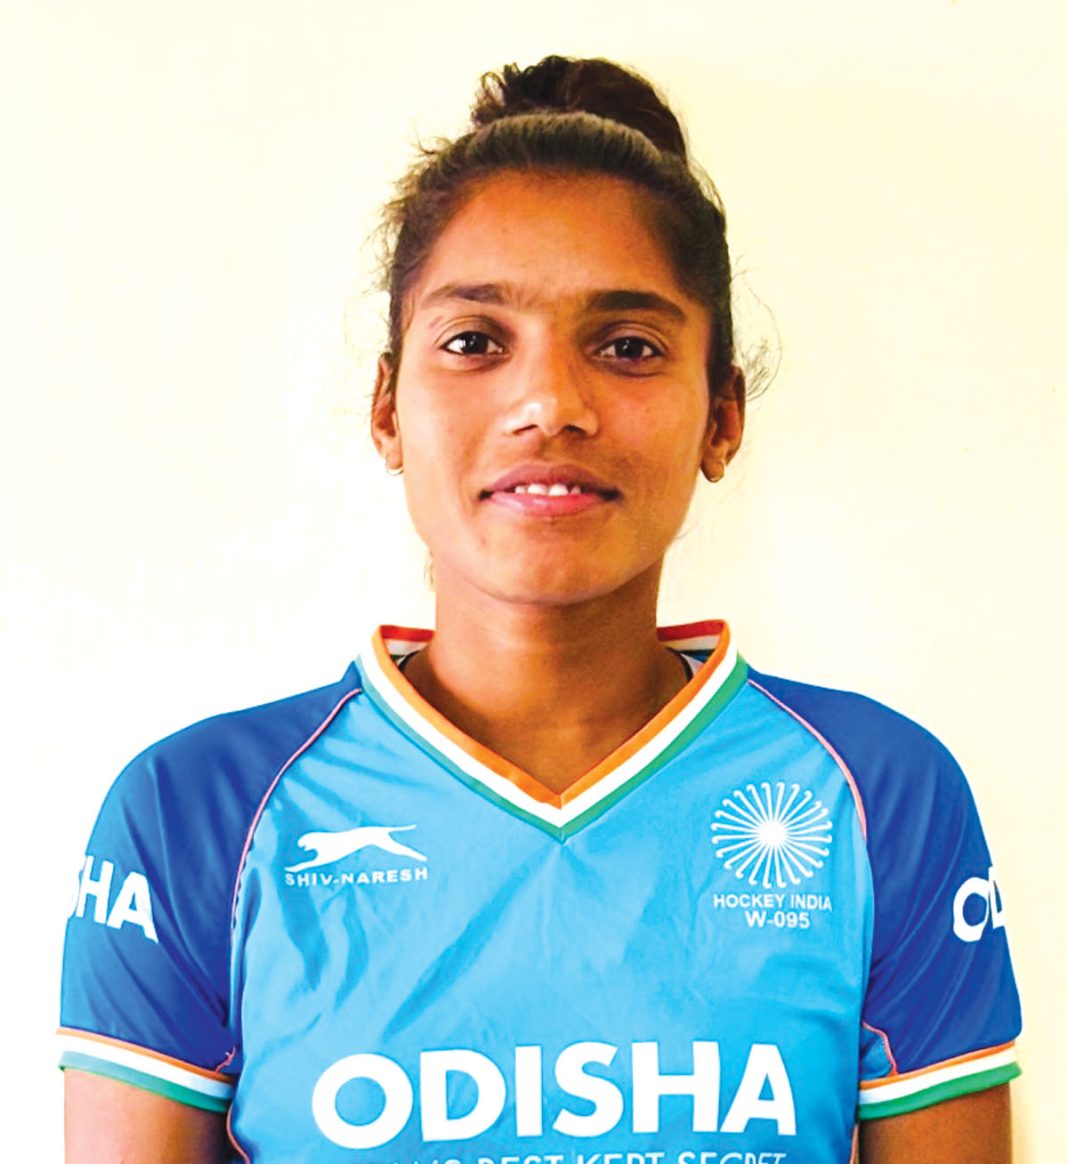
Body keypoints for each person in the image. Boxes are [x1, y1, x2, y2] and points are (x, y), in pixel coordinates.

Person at [60, 55, 1021, 1164]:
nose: (549, 404)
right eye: (475, 342)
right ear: (388, 409)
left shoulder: (877, 796)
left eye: (628, 347)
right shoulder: (197, 816)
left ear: (722, 417)